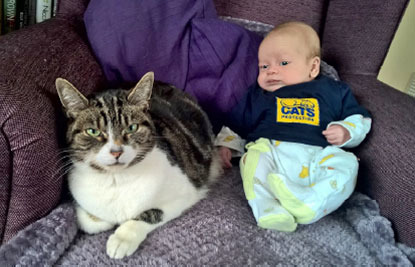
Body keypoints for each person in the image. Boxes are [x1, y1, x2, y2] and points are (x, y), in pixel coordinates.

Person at [215, 21, 372, 232]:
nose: (271, 71)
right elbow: (236, 124)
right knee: (252, 159)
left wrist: (346, 131)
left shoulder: (332, 91)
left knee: (348, 164)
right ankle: (269, 210)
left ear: (313, 67)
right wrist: (225, 146)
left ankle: (311, 202)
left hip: (319, 156)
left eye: (283, 63)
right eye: (264, 66)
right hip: (271, 153)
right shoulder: (258, 94)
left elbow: (360, 117)